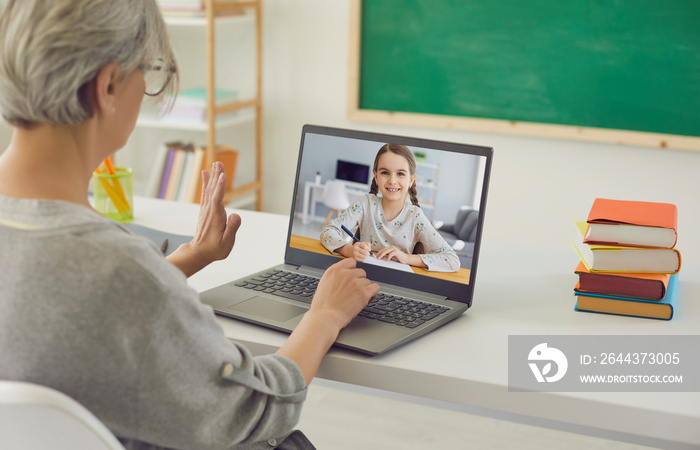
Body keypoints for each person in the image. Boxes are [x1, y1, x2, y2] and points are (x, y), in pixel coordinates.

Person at [0, 1, 379, 449]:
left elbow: (65, 305)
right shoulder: (121, 271)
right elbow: (255, 409)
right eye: (150, 71)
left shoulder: (116, 272)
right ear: (107, 86)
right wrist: (325, 315)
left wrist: (184, 260)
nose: (149, 89)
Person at [321, 144, 460, 272]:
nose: (392, 181)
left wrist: (406, 258)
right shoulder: (365, 204)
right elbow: (328, 231)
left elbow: (452, 260)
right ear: (376, 176)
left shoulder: (415, 216)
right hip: (360, 276)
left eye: (400, 173)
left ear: (411, 180)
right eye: (385, 173)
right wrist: (348, 249)